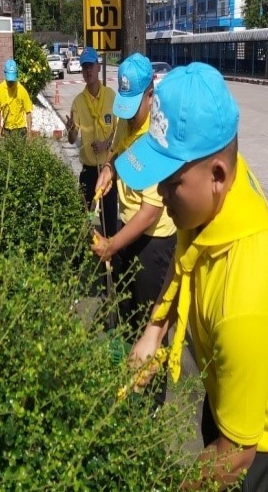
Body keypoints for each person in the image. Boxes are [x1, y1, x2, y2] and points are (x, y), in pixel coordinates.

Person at [115, 62, 268, 491]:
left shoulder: (244, 298)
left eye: (170, 181)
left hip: (267, 442)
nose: (160, 193)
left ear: (218, 176)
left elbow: (237, 452)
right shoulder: (209, 200)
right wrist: (154, 331)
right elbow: (183, 261)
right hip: (229, 391)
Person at [91, 53, 176, 341]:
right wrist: (108, 169)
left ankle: (151, 373)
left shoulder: (157, 137)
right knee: (127, 315)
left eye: (134, 105)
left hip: (154, 241)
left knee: (150, 327)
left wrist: (111, 245)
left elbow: (150, 212)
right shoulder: (126, 120)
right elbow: (116, 152)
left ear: (151, 94)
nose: (127, 114)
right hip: (128, 228)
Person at [65, 47, 118, 238]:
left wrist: (106, 144)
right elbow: (72, 139)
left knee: (109, 220)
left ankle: (111, 253)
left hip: (108, 171)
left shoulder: (111, 96)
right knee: (86, 219)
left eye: (91, 66)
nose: (88, 70)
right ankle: (87, 250)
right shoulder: (78, 102)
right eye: (85, 67)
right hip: (88, 172)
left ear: (98, 66)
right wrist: (71, 130)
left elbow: (118, 131)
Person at [0, 58, 32, 138]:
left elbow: (28, 112)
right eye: (9, 80)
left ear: (16, 74)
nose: (11, 82)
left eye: (12, 80)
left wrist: (29, 133)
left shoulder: (22, 90)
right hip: (6, 129)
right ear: (5, 73)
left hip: (20, 129)